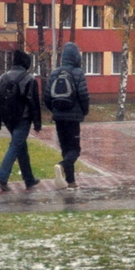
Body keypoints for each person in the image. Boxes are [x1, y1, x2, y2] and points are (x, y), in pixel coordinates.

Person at [0, 49, 42, 192]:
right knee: (15, 146)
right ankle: (1, 178)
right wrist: (37, 123)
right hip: (23, 119)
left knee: (20, 147)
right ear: (26, 63)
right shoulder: (29, 79)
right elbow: (34, 103)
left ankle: (29, 179)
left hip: (8, 119)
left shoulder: (3, 77)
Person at [43, 42, 90, 188]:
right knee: (74, 149)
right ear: (76, 57)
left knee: (65, 149)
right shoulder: (78, 72)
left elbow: (46, 97)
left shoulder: (55, 73)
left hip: (58, 117)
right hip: (73, 118)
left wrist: (55, 110)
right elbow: (83, 95)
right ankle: (62, 167)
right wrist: (84, 111)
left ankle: (71, 182)